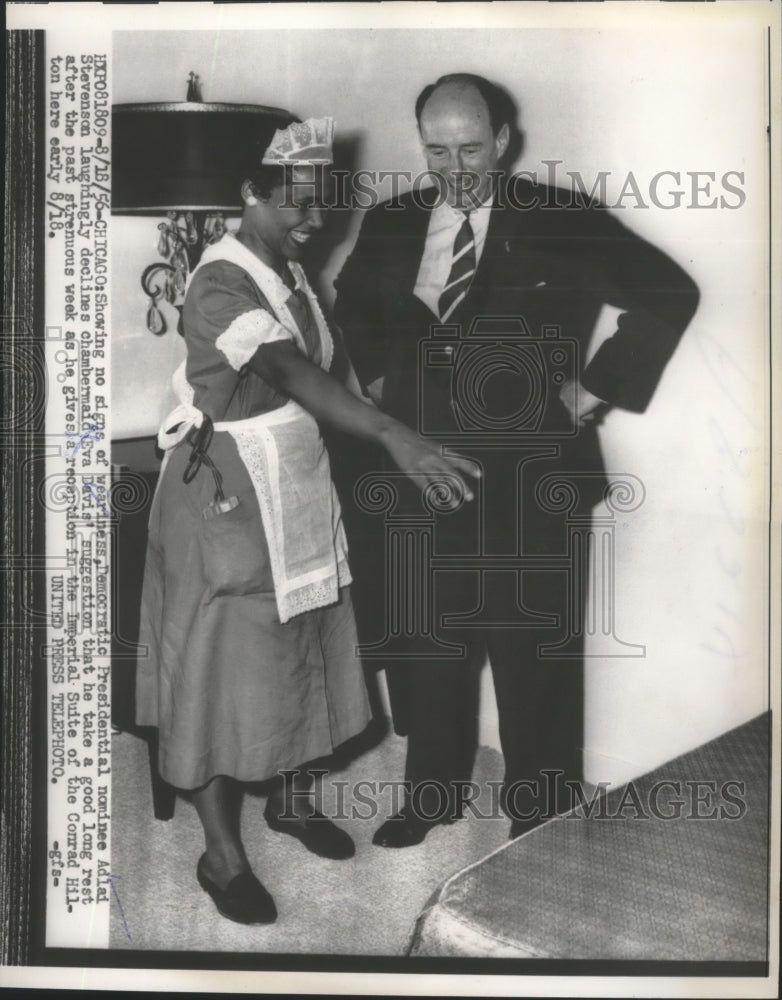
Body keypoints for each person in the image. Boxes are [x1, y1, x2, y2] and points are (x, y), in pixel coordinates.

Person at [333, 74, 700, 847]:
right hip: (422, 472)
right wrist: (380, 386)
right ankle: (431, 795)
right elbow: (354, 306)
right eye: (437, 150)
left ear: (502, 141)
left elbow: (670, 291)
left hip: (534, 475)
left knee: (535, 650)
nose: (455, 167)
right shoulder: (395, 221)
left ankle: (539, 814)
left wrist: (589, 391)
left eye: (471, 147)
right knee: (430, 643)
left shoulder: (561, 217)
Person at [135, 115, 478, 924]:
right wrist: (391, 436)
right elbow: (285, 368)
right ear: (248, 194)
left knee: (304, 652)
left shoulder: (291, 274)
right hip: (223, 499)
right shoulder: (220, 281)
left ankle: (289, 801)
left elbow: (336, 376)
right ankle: (220, 859)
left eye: (322, 206)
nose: (315, 222)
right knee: (220, 681)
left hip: (296, 484)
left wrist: (401, 425)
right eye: (298, 205)